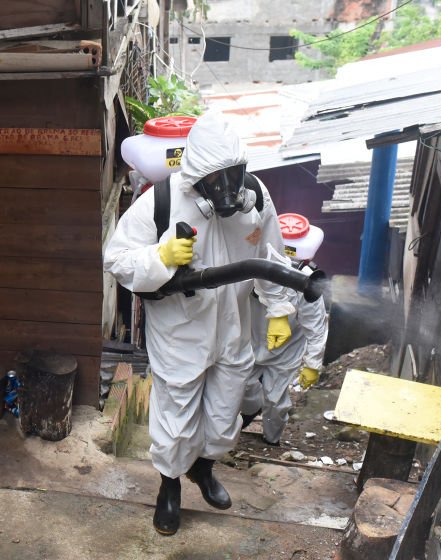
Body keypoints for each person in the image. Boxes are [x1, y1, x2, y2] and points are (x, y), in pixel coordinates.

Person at [103, 113, 297, 536]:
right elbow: (116, 258)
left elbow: (271, 255)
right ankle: (168, 487)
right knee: (176, 418)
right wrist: (161, 256)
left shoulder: (257, 198)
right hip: (181, 331)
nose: (229, 190)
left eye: (235, 176)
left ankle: (203, 469)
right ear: (197, 177)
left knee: (226, 413)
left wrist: (280, 307)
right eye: (217, 180)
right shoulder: (163, 202)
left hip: (233, 327)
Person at [240, 224, 329, 446]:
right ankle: (240, 422)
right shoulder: (252, 271)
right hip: (249, 343)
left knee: (276, 401)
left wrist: (312, 364)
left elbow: (316, 328)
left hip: (285, 352)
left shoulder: (307, 284)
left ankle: (271, 442)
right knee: (241, 391)